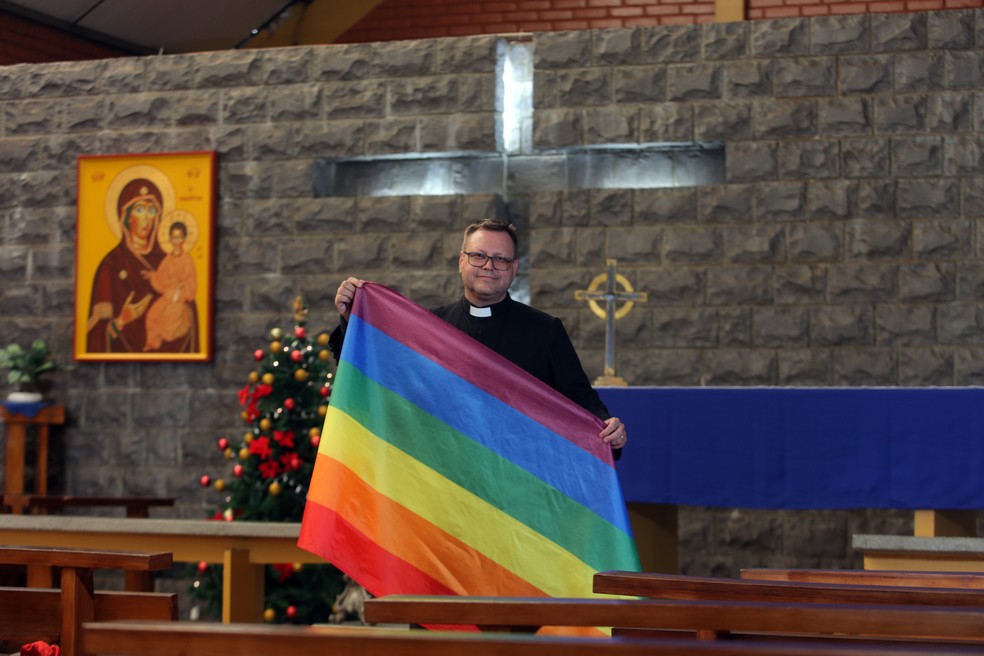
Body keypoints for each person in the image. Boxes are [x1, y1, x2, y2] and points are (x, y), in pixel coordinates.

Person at [331, 218, 627, 455]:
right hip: (443, 473)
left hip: (516, 475)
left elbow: (580, 399)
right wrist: (350, 320)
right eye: (478, 256)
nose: (488, 266)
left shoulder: (545, 330)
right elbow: (377, 371)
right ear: (461, 261)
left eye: (501, 259)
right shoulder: (429, 326)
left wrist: (607, 426)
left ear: (514, 269)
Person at [141, 221, 198, 351]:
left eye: (179, 237)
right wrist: (152, 275)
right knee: (152, 314)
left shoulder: (187, 260)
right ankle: (151, 342)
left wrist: (180, 290)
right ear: (170, 239)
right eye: (174, 237)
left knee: (167, 318)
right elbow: (161, 275)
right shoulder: (168, 259)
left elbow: (191, 282)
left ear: (184, 239)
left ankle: (161, 342)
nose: (176, 241)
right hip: (168, 295)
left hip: (179, 298)